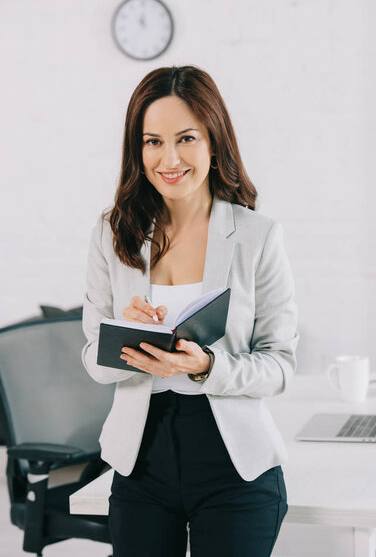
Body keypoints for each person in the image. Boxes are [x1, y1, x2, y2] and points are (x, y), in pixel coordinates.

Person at [81, 64, 299, 557]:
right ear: (137, 150)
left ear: (213, 142)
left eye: (186, 138)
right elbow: (93, 360)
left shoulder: (256, 236)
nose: (170, 158)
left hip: (233, 466)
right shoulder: (112, 232)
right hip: (141, 461)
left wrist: (207, 366)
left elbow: (281, 364)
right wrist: (125, 338)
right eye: (152, 141)